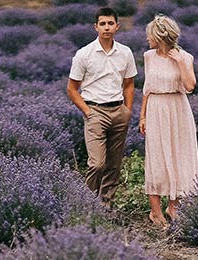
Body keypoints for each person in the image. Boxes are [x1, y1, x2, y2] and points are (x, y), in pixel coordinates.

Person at [67, 7, 137, 207]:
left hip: (119, 111)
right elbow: (72, 89)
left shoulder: (125, 52)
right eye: (103, 24)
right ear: (95, 27)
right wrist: (88, 112)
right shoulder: (84, 54)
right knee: (97, 164)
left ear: (117, 26)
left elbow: (129, 83)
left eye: (110, 23)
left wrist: (128, 110)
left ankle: (106, 206)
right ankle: (87, 205)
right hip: (95, 111)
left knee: (114, 165)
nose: (107, 27)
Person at [139, 14, 198, 228]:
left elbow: (190, 86)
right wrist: (142, 115)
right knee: (156, 157)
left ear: (160, 36)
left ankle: (173, 206)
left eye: (150, 35)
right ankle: (155, 212)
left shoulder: (185, 57)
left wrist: (180, 62)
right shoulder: (149, 56)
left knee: (178, 156)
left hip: (178, 109)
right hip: (156, 109)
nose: (147, 39)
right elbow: (147, 88)